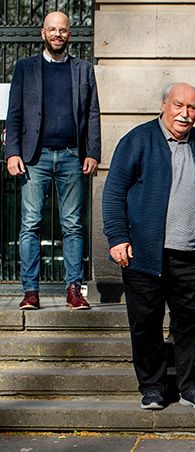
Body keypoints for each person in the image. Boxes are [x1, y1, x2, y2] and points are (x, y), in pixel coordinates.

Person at [102, 83, 195, 410]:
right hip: (144, 254)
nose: (185, 113)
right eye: (179, 105)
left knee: (194, 324)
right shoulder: (137, 140)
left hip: (191, 254)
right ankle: (153, 387)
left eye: (192, 107)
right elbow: (113, 192)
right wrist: (117, 237)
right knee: (146, 325)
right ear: (164, 104)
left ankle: (193, 386)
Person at [5, 11, 100, 311]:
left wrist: (93, 152)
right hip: (35, 157)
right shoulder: (25, 68)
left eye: (63, 30)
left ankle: (74, 290)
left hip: (72, 156)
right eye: (52, 30)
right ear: (43, 33)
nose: (58, 35)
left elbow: (94, 114)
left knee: (72, 226)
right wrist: (12, 153)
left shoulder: (83, 70)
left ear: (69, 35)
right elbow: (15, 113)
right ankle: (30, 291)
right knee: (30, 225)